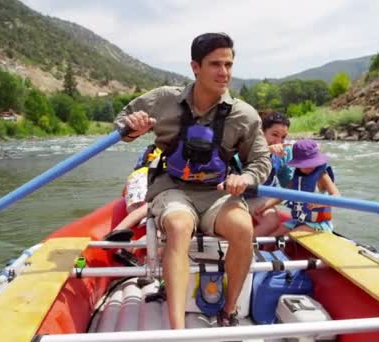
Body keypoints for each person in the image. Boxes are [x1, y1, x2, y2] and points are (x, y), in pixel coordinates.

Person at [114, 32, 271, 328]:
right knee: (178, 225)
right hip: (173, 189)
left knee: (243, 229)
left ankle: (228, 310)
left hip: (217, 192)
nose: (224, 72)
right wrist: (132, 128)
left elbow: (260, 161)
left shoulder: (244, 115)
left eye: (228, 64)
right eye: (215, 64)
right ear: (195, 67)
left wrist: (246, 177)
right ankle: (177, 328)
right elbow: (123, 122)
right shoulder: (163, 100)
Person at [257, 139, 340, 233]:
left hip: (318, 224)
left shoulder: (322, 176)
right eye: (305, 165)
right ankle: (265, 247)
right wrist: (264, 207)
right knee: (276, 233)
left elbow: (336, 196)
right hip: (297, 221)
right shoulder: (296, 178)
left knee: (292, 234)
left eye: (313, 163)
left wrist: (320, 203)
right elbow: (282, 195)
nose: (310, 167)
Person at [245, 112, 294, 237]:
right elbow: (236, 166)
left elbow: (287, 181)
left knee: (272, 222)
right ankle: (238, 248)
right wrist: (265, 152)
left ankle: (249, 247)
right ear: (261, 132)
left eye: (283, 137)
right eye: (274, 135)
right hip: (234, 194)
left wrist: (307, 175)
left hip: (258, 197)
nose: (279, 141)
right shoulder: (246, 145)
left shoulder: (285, 153)